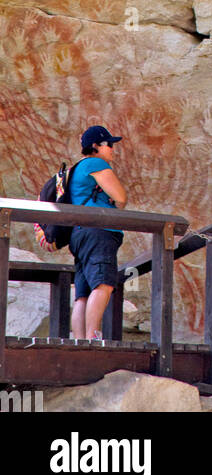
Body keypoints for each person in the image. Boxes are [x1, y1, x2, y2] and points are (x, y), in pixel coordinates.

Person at [68, 125, 127, 341]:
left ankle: (80, 340)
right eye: (109, 144)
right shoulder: (95, 163)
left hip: (80, 234)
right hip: (99, 232)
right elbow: (120, 197)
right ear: (95, 146)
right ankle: (93, 336)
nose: (112, 149)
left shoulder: (76, 169)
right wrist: (115, 202)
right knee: (103, 284)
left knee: (82, 295)